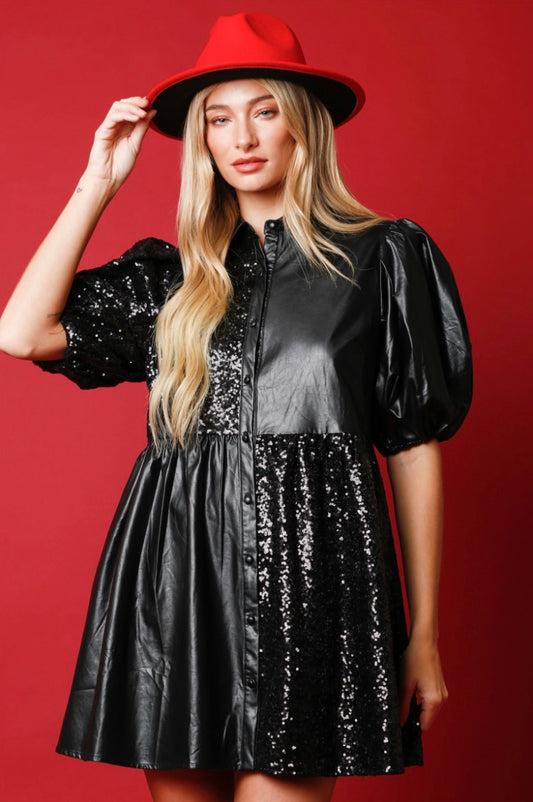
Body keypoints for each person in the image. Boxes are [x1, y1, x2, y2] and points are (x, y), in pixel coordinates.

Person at [0, 11, 473, 802]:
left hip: (315, 571)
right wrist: (99, 183)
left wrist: (421, 634)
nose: (242, 137)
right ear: (202, 141)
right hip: (177, 574)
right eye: (218, 119)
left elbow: (412, 442)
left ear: (303, 126)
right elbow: (21, 333)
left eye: (264, 111)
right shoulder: (172, 276)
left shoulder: (383, 255)